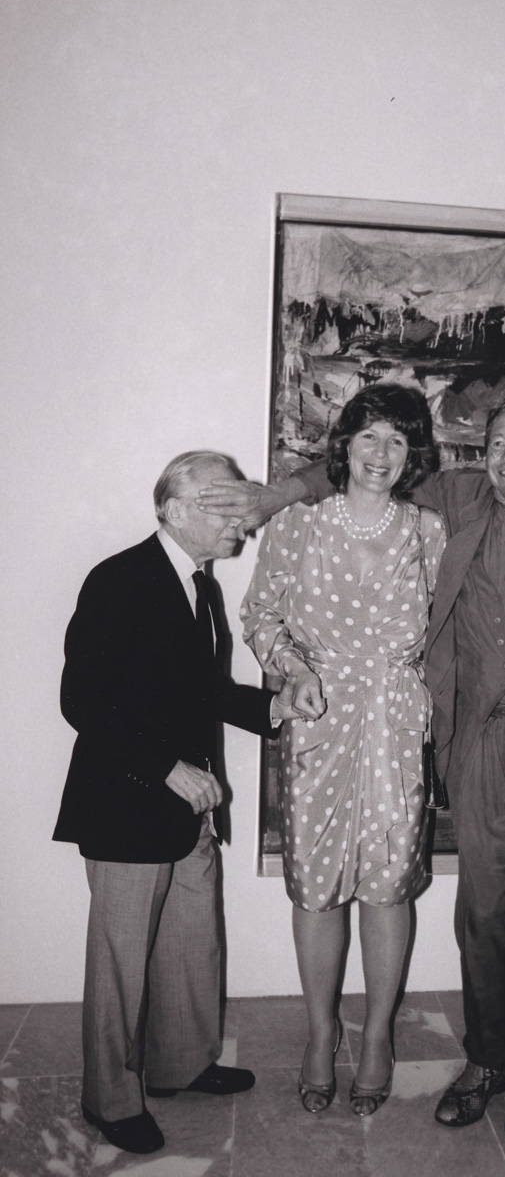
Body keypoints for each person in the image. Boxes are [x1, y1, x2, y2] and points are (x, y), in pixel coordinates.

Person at [199, 390, 505, 1152]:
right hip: (459, 751)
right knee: (482, 921)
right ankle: (481, 1061)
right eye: (495, 443)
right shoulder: (458, 506)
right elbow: (338, 482)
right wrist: (273, 494)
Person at [53, 450, 303, 1155]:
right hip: (129, 799)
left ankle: (180, 1064)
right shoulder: (121, 579)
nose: (242, 522)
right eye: (226, 507)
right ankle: (109, 1097)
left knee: (193, 941)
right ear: (175, 508)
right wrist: (166, 768)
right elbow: (83, 701)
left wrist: (277, 706)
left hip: (189, 804)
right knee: (121, 961)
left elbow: (201, 692)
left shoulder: (200, 586)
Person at [239, 384, 446, 1117]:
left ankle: (379, 1036)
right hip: (318, 721)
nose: (381, 455)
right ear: (344, 446)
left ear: (412, 451)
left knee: (387, 883)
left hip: (392, 720)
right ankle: (320, 1033)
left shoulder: (427, 530)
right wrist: (292, 670)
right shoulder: (297, 524)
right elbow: (259, 616)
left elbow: (445, 630)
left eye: (397, 440)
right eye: (368, 438)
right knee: (317, 882)